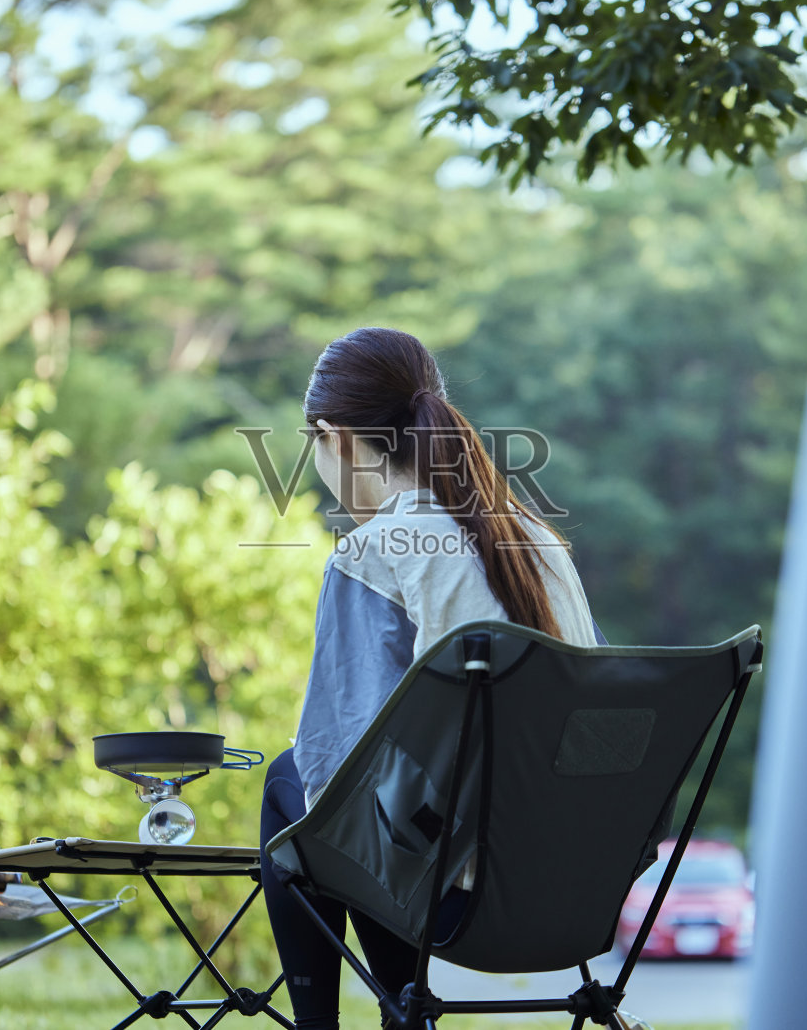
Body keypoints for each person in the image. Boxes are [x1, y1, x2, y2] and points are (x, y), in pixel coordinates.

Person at [259, 327, 607, 1030]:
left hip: (459, 895)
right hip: (573, 880)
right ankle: (401, 1015)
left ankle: (338, 1024)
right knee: (383, 797)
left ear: (335, 438)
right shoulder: (541, 542)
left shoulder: (375, 551)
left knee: (290, 782)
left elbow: (336, 776)